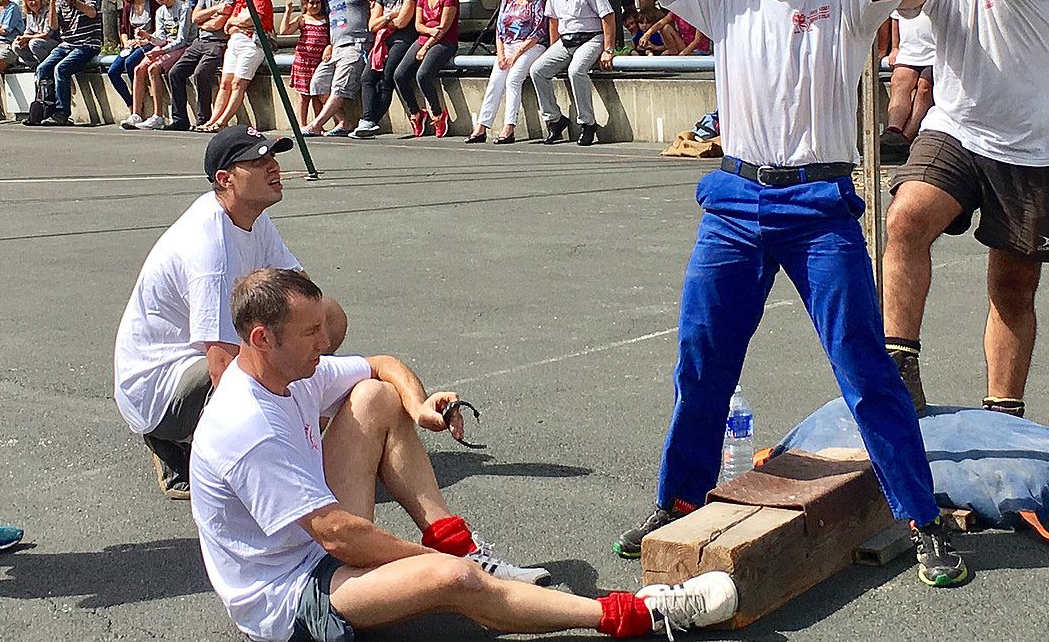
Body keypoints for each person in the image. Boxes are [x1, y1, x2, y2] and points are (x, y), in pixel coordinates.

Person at [621, 0, 968, 588]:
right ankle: (676, 500)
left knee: (866, 369)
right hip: (736, 202)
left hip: (819, 207)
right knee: (701, 362)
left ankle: (924, 521)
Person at [191, 266, 738, 642]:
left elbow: (381, 363)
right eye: (311, 333)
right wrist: (433, 564)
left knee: (376, 397)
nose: (324, 343)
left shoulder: (291, 370)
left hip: (320, 547)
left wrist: (419, 404)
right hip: (290, 598)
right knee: (457, 582)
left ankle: (459, 546)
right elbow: (338, 534)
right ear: (262, 339)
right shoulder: (247, 426)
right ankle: (640, 614)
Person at [857, 0, 1049, 422]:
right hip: (958, 126)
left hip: (1036, 140)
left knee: (1012, 286)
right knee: (905, 216)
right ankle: (900, 367)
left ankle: (1004, 413)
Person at [113, 125, 308, 498]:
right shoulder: (209, 248)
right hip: (160, 389)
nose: (274, 166)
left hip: (199, 361)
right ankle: (186, 449)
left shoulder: (252, 216)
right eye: (258, 160)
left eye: (273, 157)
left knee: (322, 320)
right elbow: (222, 366)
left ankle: (276, 442)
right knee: (257, 360)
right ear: (225, 179)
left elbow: (304, 298)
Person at [530, 0, 616, 147]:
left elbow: (608, 16)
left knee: (576, 71)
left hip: (591, 37)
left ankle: (587, 123)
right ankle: (554, 119)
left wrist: (608, 49)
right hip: (565, 39)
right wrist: (553, 49)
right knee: (537, 70)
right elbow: (552, 19)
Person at [466, 0, 548, 145]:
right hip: (507, 47)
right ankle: (481, 127)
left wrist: (516, 54)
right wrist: (501, 54)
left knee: (513, 79)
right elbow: (500, 30)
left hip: (530, 46)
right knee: (495, 82)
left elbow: (538, 31)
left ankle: (509, 127)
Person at [302, 0, 378, 137]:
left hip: (356, 44)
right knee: (318, 83)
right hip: (336, 46)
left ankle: (316, 124)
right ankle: (344, 122)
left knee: (339, 86)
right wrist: (329, 44)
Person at [198, 0, 275, 132]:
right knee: (224, 83)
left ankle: (223, 121)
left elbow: (253, 21)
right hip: (234, 44)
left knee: (237, 83)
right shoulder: (240, 1)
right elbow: (227, 27)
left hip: (252, 45)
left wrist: (236, 23)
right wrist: (238, 24)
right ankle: (212, 120)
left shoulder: (262, 0)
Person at [168, 0, 238, 131]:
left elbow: (217, 25)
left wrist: (204, 21)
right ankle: (179, 119)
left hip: (218, 43)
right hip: (200, 42)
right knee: (175, 73)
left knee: (201, 73)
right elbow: (194, 17)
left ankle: (203, 118)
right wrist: (216, 10)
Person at [354, 0, 417, 138]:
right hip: (383, 41)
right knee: (367, 77)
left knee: (387, 77)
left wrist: (385, 19)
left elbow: (402, 22)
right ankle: (367, 119)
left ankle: (372, 120)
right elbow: (372, 25)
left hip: (402, 39)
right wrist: (390, 16)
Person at [124, 0, 196, 131]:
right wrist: (148, 37)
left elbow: (182, 40)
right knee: (139, 68)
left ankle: (158, 115)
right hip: (166, 46)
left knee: (153, 69)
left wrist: (161, 51)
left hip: (182, 47)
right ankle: (136, 113)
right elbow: (161, 38)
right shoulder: (160, 11)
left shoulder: (184, 8)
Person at [396, 0, 458, 138]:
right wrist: (429, 32)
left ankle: (438, 114)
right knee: (399, 75)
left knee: (422, 75)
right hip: (425, 37)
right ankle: (415, 113)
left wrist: (426, 46)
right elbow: (418, 25)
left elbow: (443, 28)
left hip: (445, 41)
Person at [33, 0, 103, 127]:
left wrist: (72, 0)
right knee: (42, 69)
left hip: (87, 43)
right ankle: (44, 109)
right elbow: (53, 26)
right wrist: (52, 2)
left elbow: (92, 13)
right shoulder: (58, 2)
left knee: (61, 69)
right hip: (67, 44)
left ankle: (62, 113)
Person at [880, 0, 936, 163]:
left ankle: (905, 139)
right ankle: (893, 131)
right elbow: (895, 17)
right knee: (899, 80)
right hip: (910, 50)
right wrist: (895, 47)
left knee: (925, 86)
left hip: (936, 52)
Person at [107, 0, 156, 112]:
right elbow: (123, 28)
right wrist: (126, 42)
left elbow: (158, 29)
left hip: (149, 41)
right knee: (113, 71)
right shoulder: (128, 6)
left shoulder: (151, 3)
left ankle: (139, 100)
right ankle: (130, 102)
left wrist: (147, 39)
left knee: (130, 63)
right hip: (132, 44)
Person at [283, 0, 331, 129]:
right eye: (311, 3)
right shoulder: (302, 19)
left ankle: (318, 125)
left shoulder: (326, 20)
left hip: (318, 62)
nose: (315, 6)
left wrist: (329, 47)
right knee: (304, 96)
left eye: (317, 3)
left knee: (317, 94)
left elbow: (330, 38)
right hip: (303, 63)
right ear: (305, 5)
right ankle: (302, 125)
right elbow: (285, 30)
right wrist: (288, 12)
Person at [12, 0, 54, 70]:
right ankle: (35, 66)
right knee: (16, 45)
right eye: (30, 0)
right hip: (37, 39)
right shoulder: (30, 14)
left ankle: (47, 66)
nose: (34, 2)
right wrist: (21, 39)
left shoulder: (48, 12)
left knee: (34, 43)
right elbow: (28, 31)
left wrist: (27, 38)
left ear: (40, 0)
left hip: (52, 41)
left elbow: (47, 34)